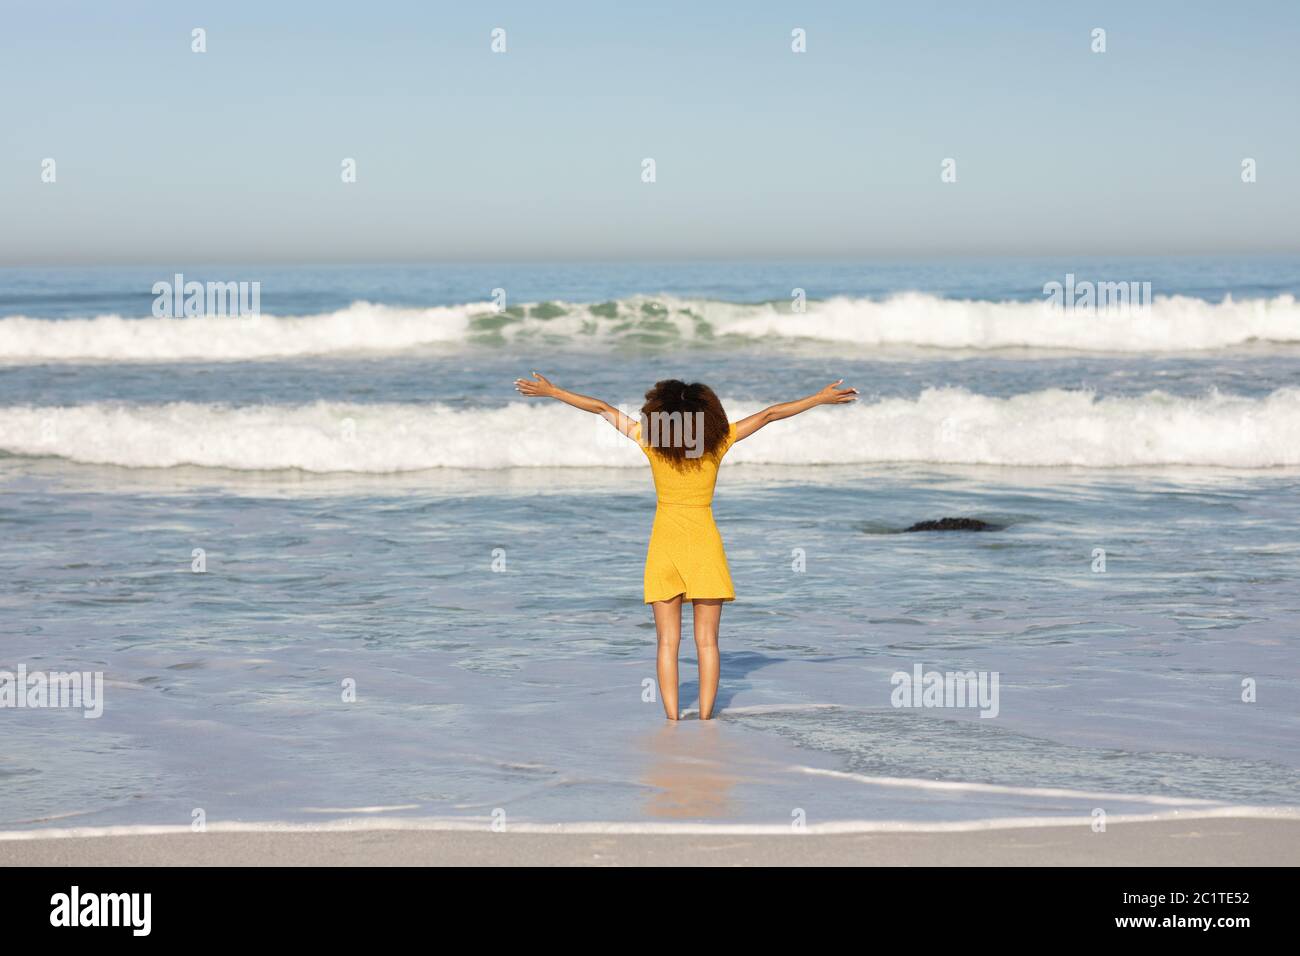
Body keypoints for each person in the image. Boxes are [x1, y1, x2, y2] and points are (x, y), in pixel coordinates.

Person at [513, 372, 857, 719]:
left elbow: (602, 408)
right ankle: (707, 718)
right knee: (707, 642)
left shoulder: (650, 441)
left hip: (664, 548)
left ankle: (673, 719)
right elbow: (769, 414)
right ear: (708, 414)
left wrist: (552, 391)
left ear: (658, 413)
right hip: (704, 548)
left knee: (667, 642)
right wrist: (818, 398)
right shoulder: (719, 443)